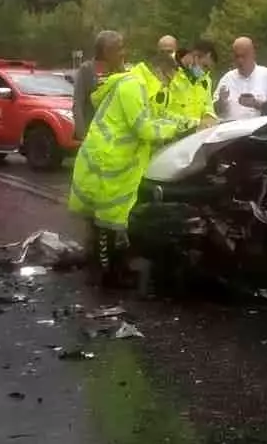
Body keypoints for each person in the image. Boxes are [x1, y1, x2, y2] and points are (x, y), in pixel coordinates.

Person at [69, 44, 214, 285]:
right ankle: (107, 275)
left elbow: (160, 114)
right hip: (108, 159)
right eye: (168, 79)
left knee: (116, 221)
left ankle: (116, 268)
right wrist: (181, 128)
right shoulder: (132, 87)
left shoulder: (146, 87)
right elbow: (144, 127)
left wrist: (192, 122)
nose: (169, 85)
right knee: (107, 222)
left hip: (121, 160)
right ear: (160, 72)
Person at [71, 30, 125, 142]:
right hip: (93, 135)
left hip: (114, 136)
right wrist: (82, 135)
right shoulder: (86, 70)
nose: (123, 53)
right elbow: (78, 104)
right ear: (106, 52)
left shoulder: (119, 70)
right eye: (118, 49)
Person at [215, 37, 267, 120]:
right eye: (237, 56)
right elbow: (213, 111)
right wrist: (221, 102)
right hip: (231, 130)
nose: (240, 60)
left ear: (253, 54)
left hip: (258, 130)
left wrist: (257, 104)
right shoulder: (226, 79)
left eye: (243, 56)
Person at [168, 39, 217, 124]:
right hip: (171, 134)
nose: (204, 72)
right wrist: (191, 124)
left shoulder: (205, 80)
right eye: (205, 66)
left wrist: (209, 116)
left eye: (208, 69)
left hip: (196, 135)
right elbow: (159, 111)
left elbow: (208, 105)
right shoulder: (168, 73)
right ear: (195, 56)